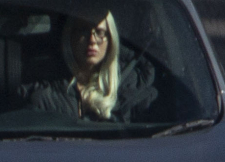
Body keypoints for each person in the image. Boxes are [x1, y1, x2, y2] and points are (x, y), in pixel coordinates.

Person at [26, 10, 157, 124]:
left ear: (111, 39)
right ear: (70, 37)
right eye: (84, 31)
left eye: (100, 32)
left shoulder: (131, 85)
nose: (92, 40)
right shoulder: (45, 91)